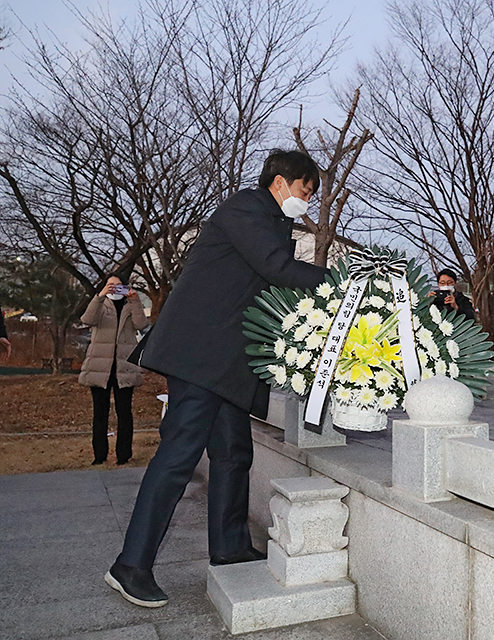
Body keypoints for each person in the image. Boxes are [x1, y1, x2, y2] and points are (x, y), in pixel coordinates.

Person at [105, 150, 329, 608]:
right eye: (307, 191)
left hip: (226, 359)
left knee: (232, 453)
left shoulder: (275, 222)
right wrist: (342, 281)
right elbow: (277, 270)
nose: (308, 201)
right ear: (283, 181)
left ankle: (229, 547)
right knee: (179, 455)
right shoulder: (245, 208)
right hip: (200, 353)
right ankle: (129, 565)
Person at [79, 275, 149, 465]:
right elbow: (87, 319)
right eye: (111, 285)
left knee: (124, 412)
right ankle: (99, 455)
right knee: (99, 413)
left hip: (124, 366)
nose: (115, 289)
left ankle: (123, 455)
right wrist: (100, 296)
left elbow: (141, 324)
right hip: (100, 367)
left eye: (119, 286)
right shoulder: (101, 304)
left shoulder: (129, 305)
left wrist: (135, 300)